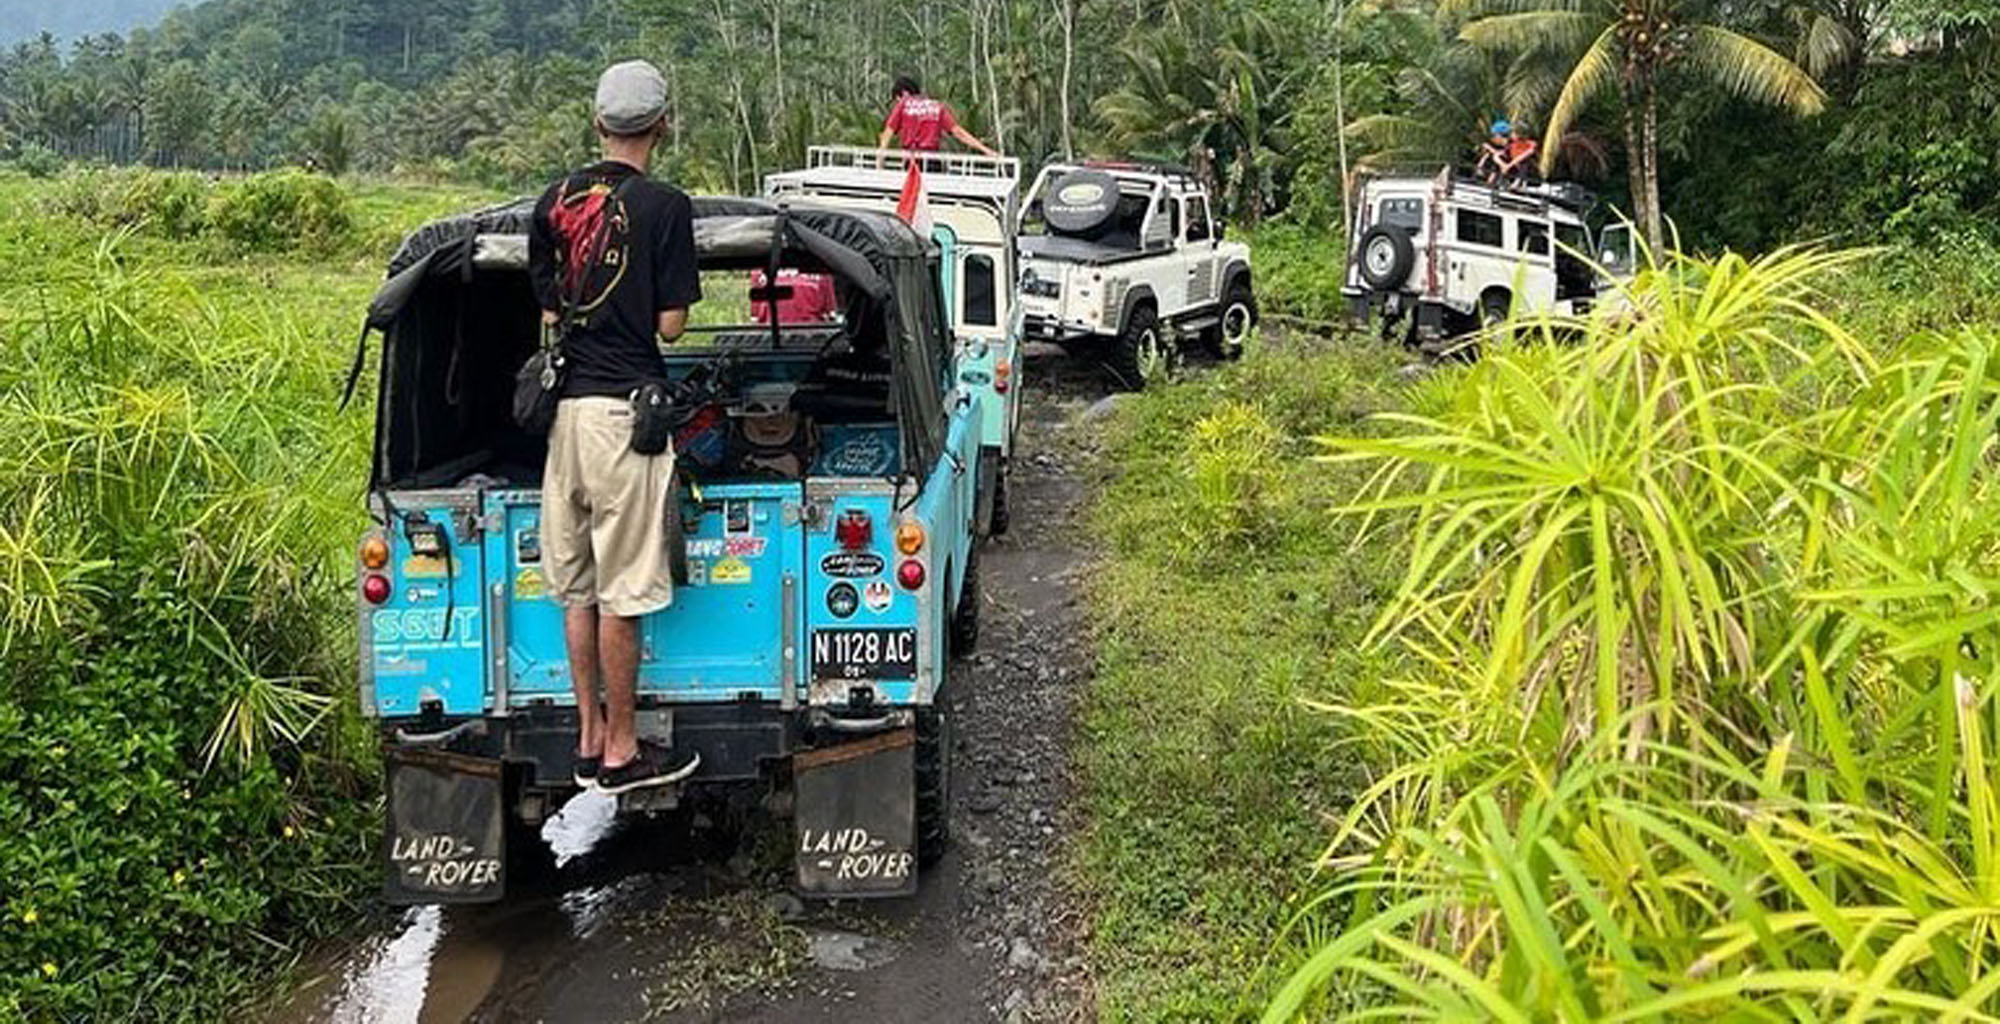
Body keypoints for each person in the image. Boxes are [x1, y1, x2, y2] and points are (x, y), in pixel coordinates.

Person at [527, 59, 703, 795]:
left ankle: (589, 736)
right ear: (661, 126)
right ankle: (624, 751)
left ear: (598, 123)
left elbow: (548, 310)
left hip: (564, 418)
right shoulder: (666, 206)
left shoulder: (552, 201)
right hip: (623, 417)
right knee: (624, 591)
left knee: (578, 589)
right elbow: (672, 325)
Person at [877, 75, 999, 156]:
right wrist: (986, 150)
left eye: (896, 100)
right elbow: (958, 132)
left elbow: (887, 135)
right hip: (932, 160)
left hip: (912, 162)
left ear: (903, 94)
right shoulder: (937, 106)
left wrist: (879, 164)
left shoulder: (903, 104)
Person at [1475, 119, 1511, 184]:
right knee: (1486, 156)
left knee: (1495, 166)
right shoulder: (1492, 142)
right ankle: (1480, 171)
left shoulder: (1506, 143)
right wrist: (1494, 151)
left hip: (1498, 163)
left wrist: (1499, 152)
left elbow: (1505, 151)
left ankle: (1491, 182)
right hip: (1490, 160)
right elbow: (1485, 145)